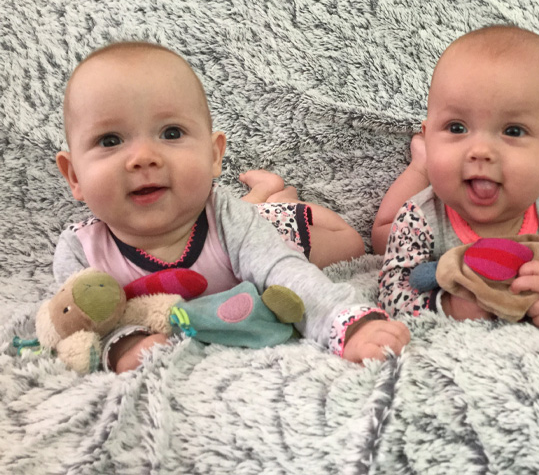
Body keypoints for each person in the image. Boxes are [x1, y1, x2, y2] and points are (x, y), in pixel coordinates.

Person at [54, 41, 409, 373]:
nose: (143, 157)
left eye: (171, 133)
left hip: (267, 228)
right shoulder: (80, 251)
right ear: (74, 176)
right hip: (240, 224)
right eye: (110, 140)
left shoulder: (227, 218)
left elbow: (286, 273)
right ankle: (263, 194)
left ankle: (278, 198)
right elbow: (81, 325)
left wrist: (345, 324)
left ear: (213, 156)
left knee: (348, 242)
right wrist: (122, 345)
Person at [375, 25, 539, 326]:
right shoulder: (420, 218)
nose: (481, 151)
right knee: (387, 246)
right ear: (428, 138)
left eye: (513, 131)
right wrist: (447, 306)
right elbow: (391, 293)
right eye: (457, 128)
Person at [239, 169, 365, 270]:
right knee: (237, 218)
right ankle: (264, 193)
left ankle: (281, 201)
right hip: (247, 224)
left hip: (275, 242)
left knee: (352, 241)